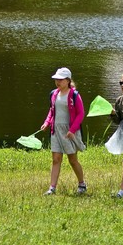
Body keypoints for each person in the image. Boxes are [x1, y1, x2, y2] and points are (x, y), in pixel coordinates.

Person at [39, 67, 87, 195]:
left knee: (72, 159)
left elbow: (81, 114)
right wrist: (47, 122)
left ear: (67, 80)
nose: (57, 82)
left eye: (60, 80)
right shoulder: (54, 94)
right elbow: (52, 111)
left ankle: (82, 184)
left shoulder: (74, 95)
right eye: (56, 79)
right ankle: (52, 188)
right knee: (56, 159)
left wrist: (72, 130)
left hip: (69, 131)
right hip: (56, 130)